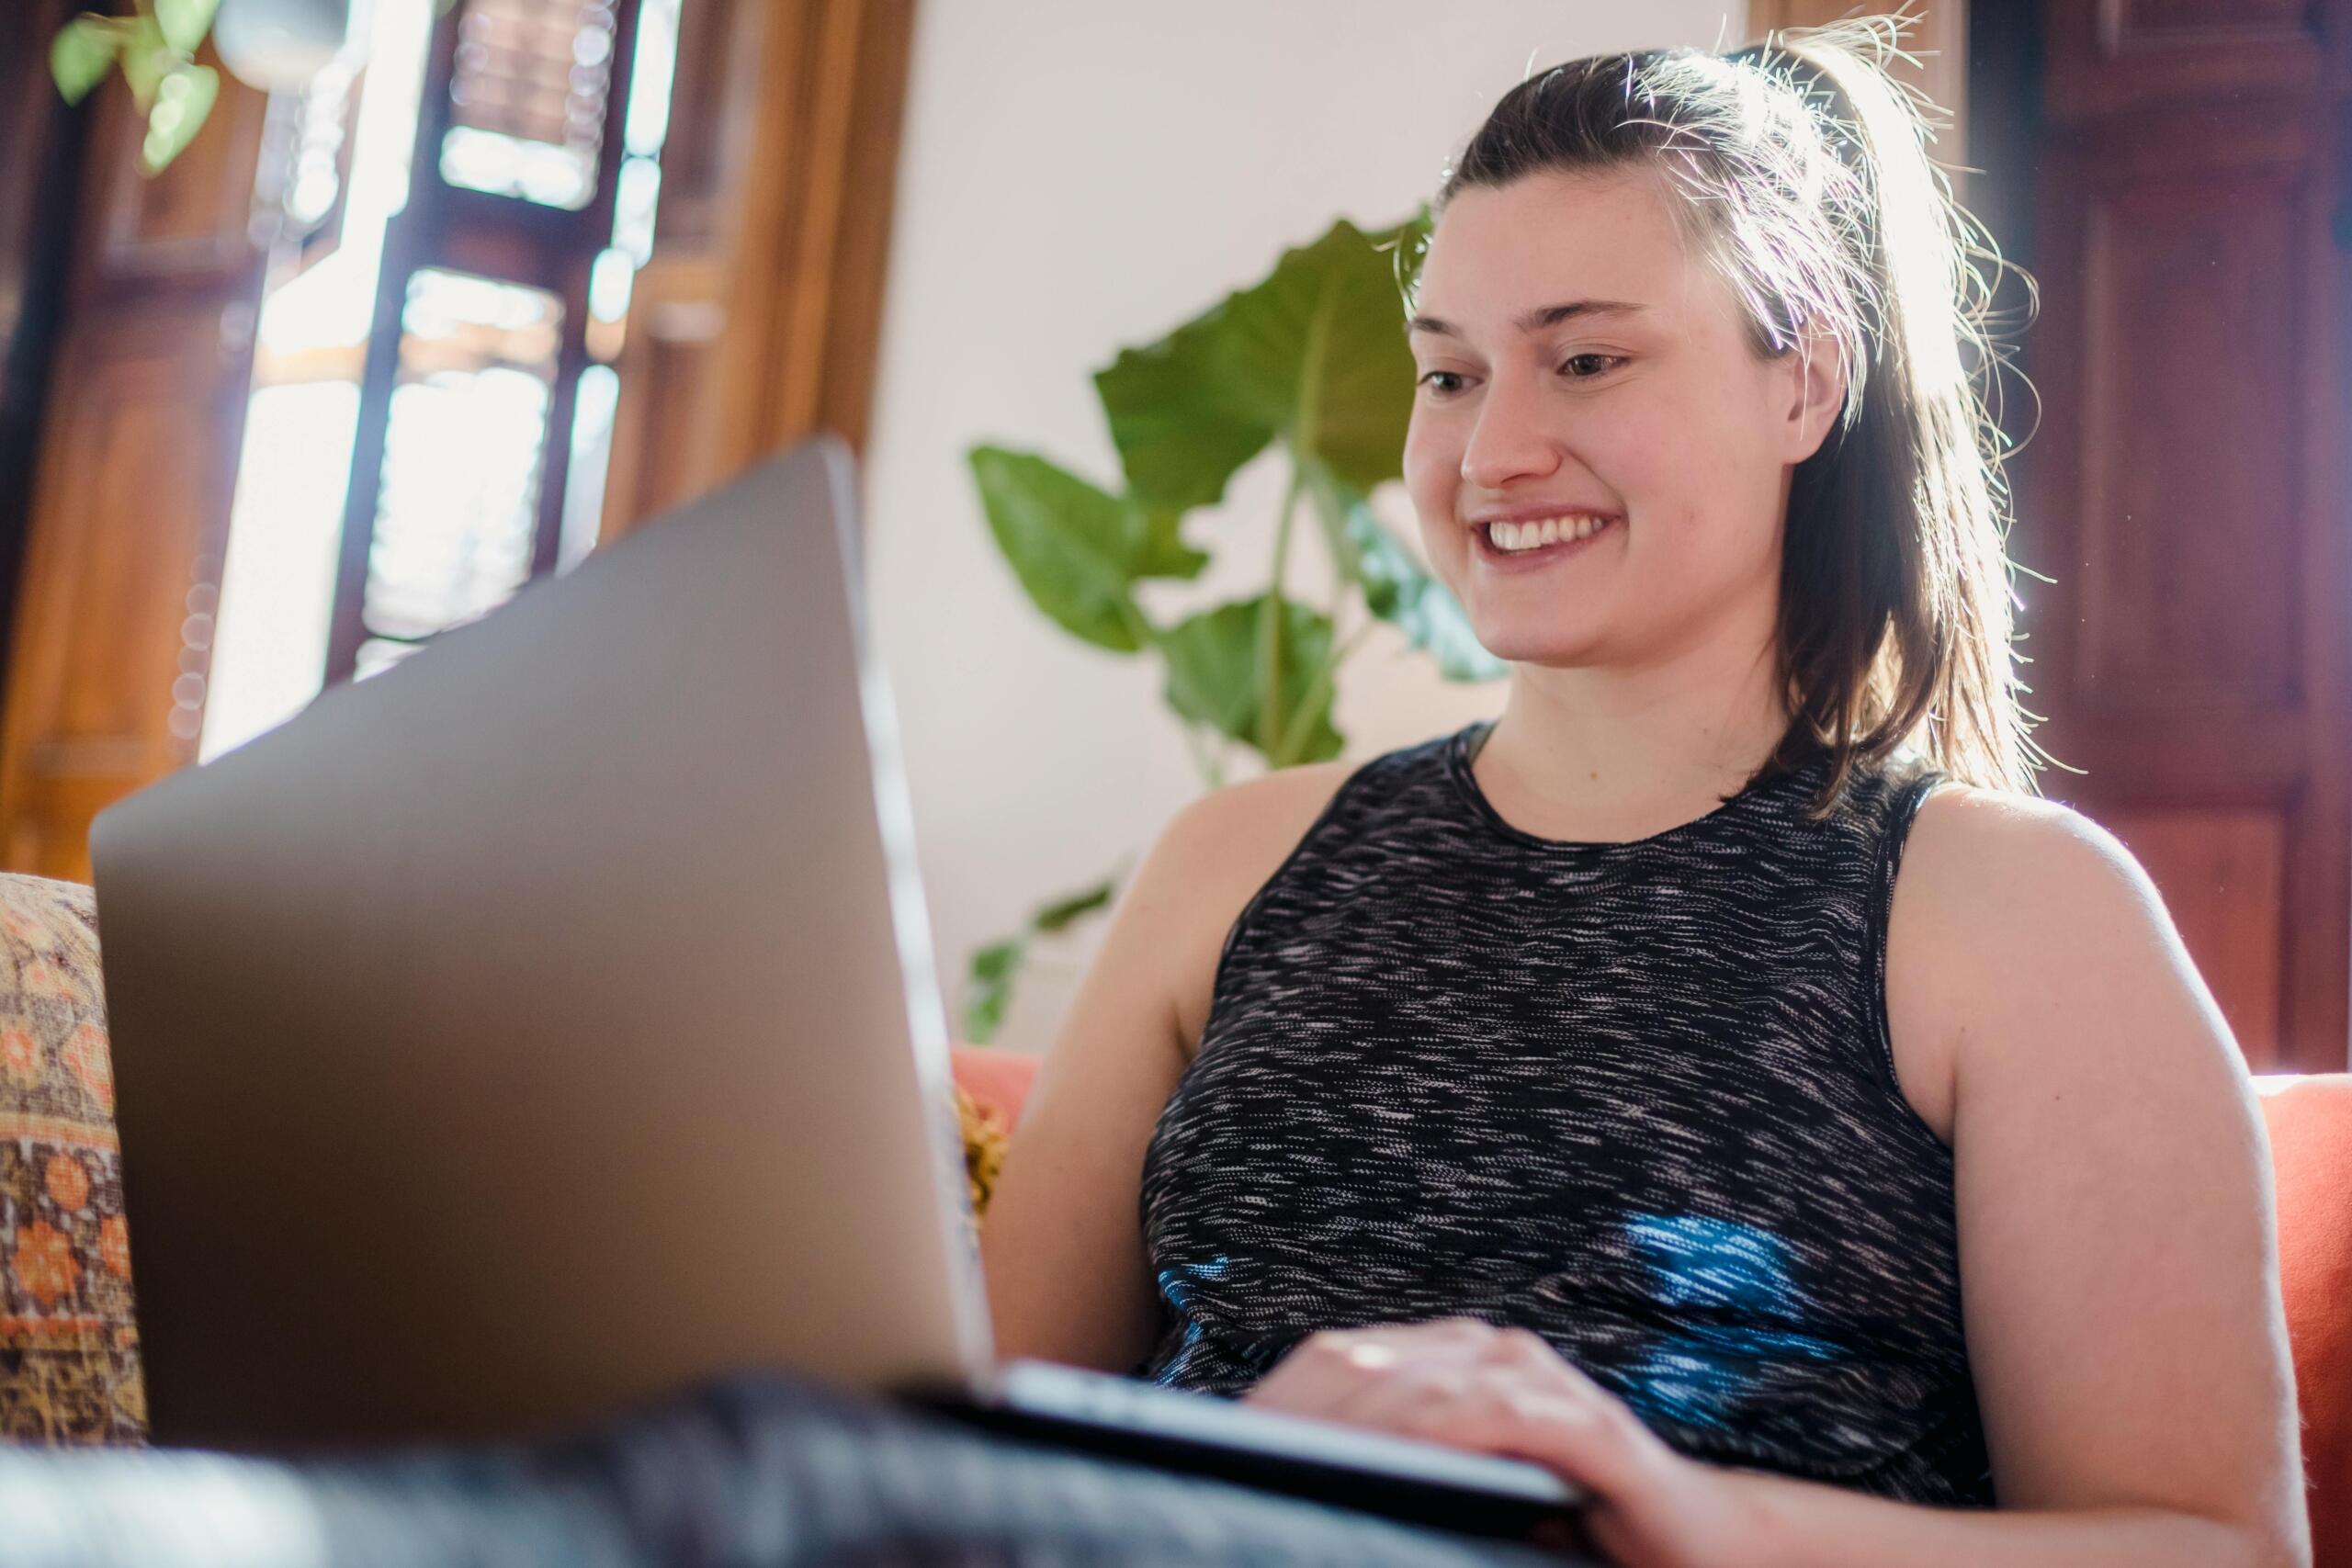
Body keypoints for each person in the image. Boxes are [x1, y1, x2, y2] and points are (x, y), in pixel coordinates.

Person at [979, 19, 2311, 1568]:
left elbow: (2218, 1548)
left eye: (1587, 360)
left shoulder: (2017, 913)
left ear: (1805, 381)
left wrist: (1682, 1511)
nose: (1493, 451)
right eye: (1449, 375)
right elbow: (966, 1443)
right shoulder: (1230, 863)